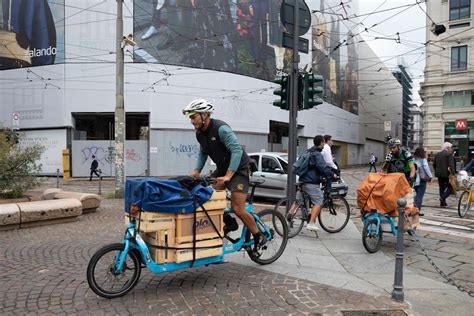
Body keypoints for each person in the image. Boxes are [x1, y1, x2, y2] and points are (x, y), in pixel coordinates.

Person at [182, 99, 266, 250]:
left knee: (237, 208)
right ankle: (230, 223)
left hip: (239, 169)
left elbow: (237, 150)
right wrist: (196, 171)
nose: (191, 120)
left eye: (193, 116)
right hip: (222, 168)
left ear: (205, 115)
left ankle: (259, 235)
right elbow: (203, 152)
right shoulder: (200, 133)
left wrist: (228, 176)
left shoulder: (221, 129)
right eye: (190, 117)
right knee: (207, 197)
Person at [298, 135, 333, 232]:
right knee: (319, 200)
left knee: (298, 201)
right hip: (311, 181)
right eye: (323, 143)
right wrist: (331, 174)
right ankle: (311, 222)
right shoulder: (317, 154)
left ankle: (290, 214)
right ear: (321, 142)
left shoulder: (308, 151)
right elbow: (322, 167)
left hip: (302, 179)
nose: (324, 145)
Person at [433, 142, 456, 207]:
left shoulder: (437, 154)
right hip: (447, 174)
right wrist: (453, 174)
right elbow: (451, 165)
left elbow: (434, 164)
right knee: (451, 187)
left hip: (439, 174)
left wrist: (436, 170)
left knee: (441, 187)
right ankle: (443, 198)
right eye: (451, 147)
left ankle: (442, 203)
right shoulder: (449, 154)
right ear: (448, 147)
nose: (452, 149)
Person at [413, 147, 433, 216]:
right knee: (419, 196)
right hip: (422, 179)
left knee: (416, 195)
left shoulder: (413, 159)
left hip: (414, 179)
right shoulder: (423, 159)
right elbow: (426, 167)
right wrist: (430, 176)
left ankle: (414, 209)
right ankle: (417, 211)